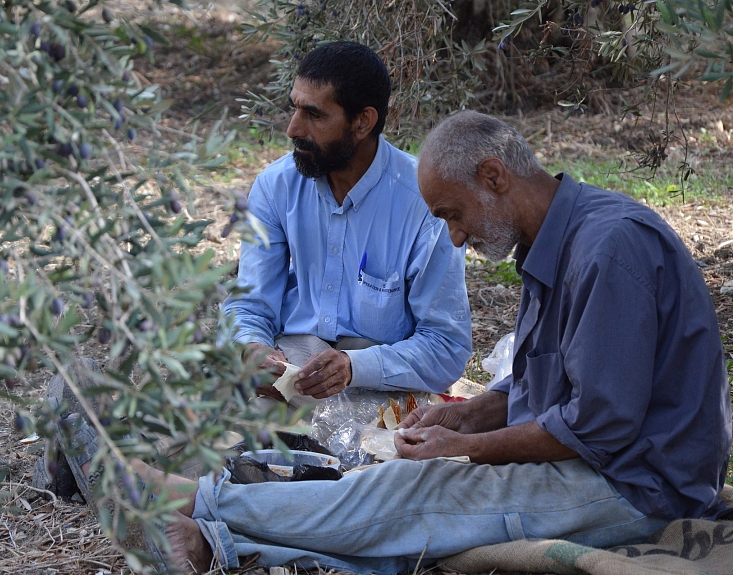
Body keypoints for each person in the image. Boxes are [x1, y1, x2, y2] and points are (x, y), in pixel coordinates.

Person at [59, 111, 731, 575]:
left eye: (453, 216)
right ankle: (208, 538)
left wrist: (464, 446)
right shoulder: (556, 242)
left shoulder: (608, 247)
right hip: (602, 462)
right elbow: (549, 387)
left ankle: (192, 502)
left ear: (494, 177)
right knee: (398, 490)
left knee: (419, 494)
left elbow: (599, 424)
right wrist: (470, 412)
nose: (458, 238)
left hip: (638, 488)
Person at [221, 41, 472, 400]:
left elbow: (446, 347)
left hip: (383, 377)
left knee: (386, 454)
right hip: (289, 369)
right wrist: (252, 348)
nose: (293, 129)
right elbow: (249, 305)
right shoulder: (277, 186)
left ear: (362, 122)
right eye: (294, 109)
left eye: (315, 115)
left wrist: (354, 367)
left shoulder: (423, 202)